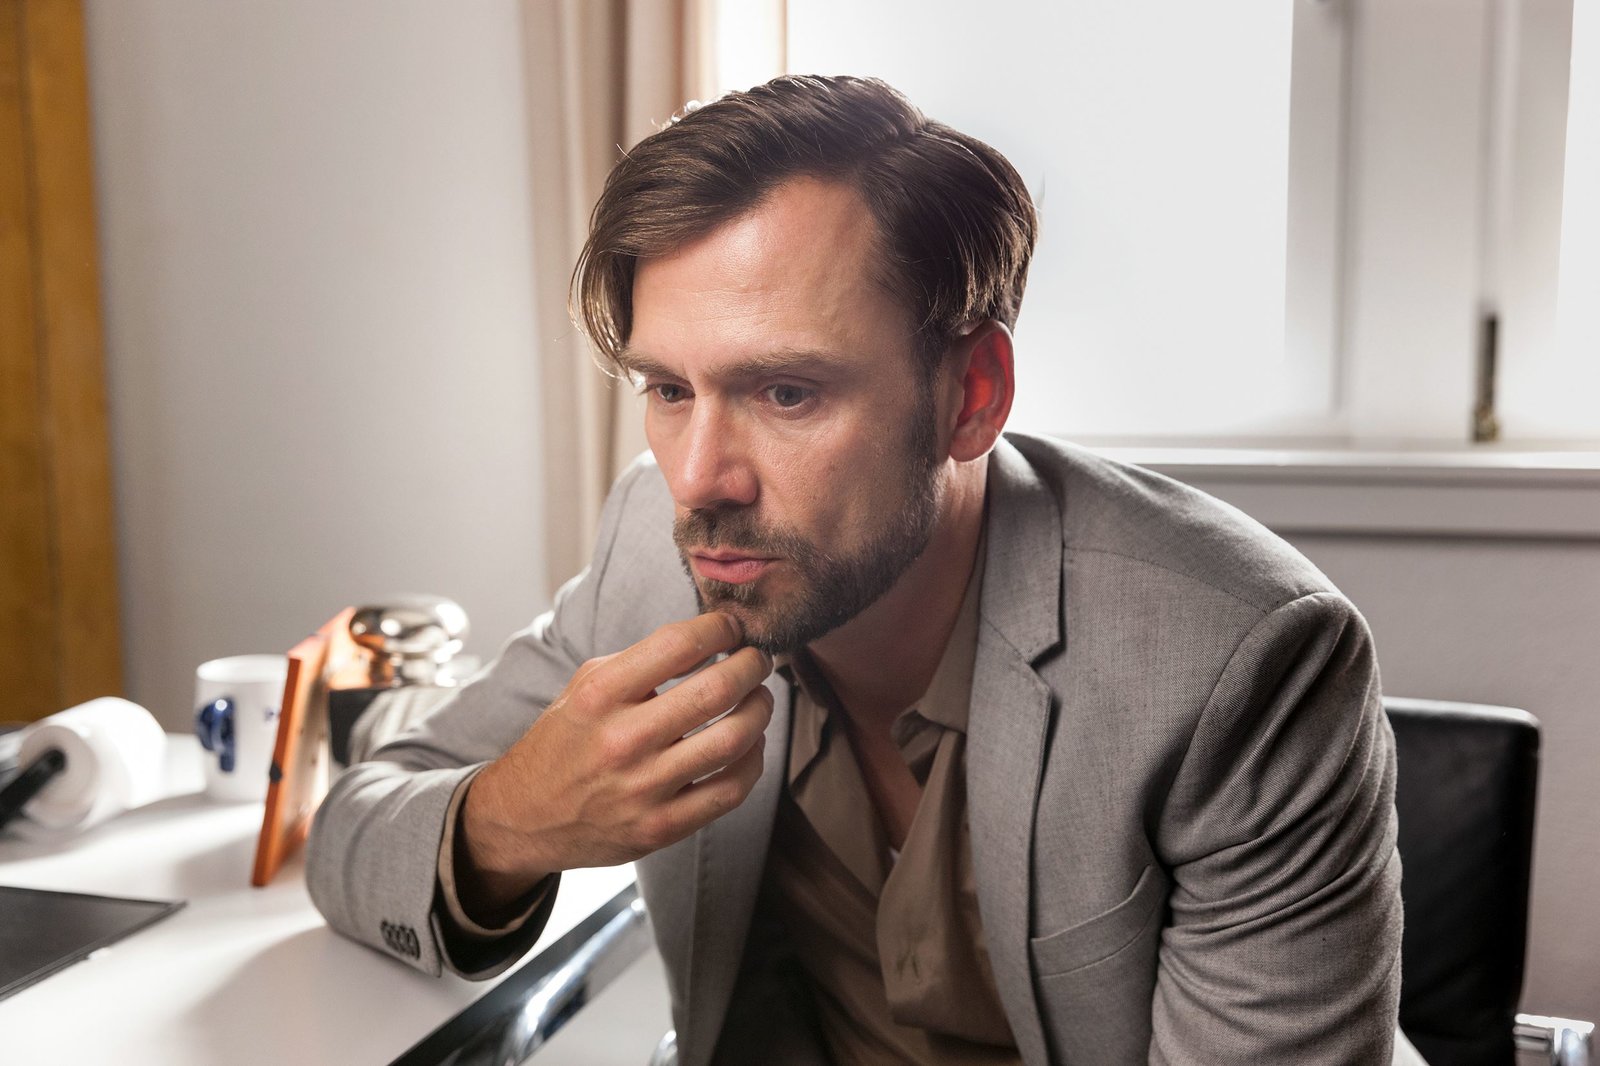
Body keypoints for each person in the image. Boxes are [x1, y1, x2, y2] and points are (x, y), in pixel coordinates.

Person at [307, 75, 1413, 1065]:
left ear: (971, 396)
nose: (697, 480)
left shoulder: (1239, 662)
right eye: (669, 390)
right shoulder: (656, 540)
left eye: (786, 393)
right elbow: (355, 824)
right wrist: (511, 821)